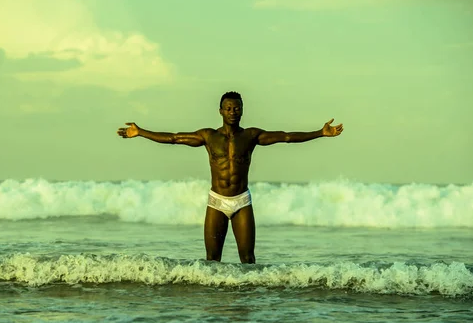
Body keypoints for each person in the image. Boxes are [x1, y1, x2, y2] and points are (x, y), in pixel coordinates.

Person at [117, 91, 343, 264]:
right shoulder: (208, 136)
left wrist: (320, 133)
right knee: (212, 261)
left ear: (242, 110)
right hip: (216, 201)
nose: (233, 112)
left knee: (248, 260)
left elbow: (286, 137)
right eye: (228, 108)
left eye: (237, 108)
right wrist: (141, 132)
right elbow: (174, 138)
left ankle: (246, 304)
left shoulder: (251, 135)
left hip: (242, 201)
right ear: (220, 111)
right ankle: (215, 308)